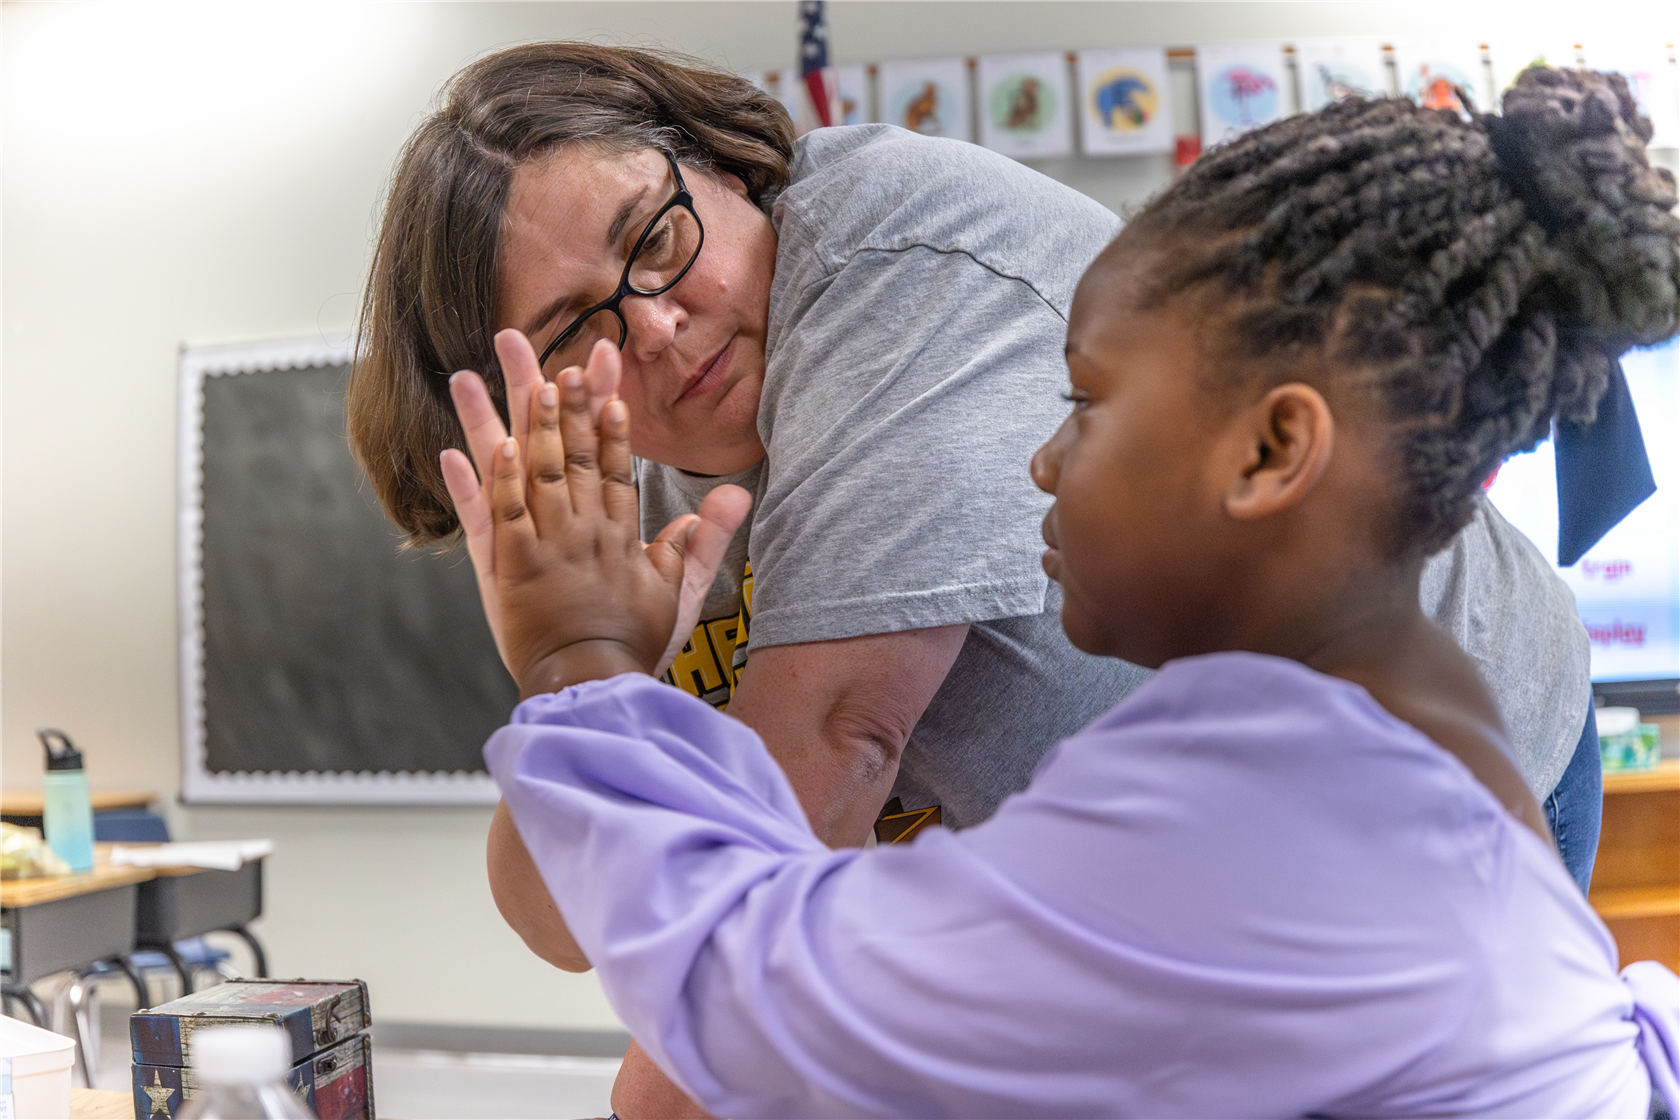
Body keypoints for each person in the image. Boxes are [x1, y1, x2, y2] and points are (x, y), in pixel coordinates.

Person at [350, 42, 1604, 1112]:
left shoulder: (1205, 805)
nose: (660, 328)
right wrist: (598, 684)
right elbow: (584, 914)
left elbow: (783, 881)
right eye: (576, 330)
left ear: (726, 171)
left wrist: (584, 666)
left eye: (658, 240)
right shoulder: (1172, 782)